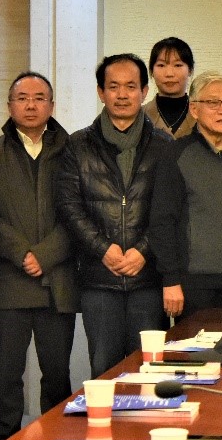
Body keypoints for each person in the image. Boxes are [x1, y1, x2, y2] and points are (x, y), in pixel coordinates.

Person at [0, 72, 77, 440]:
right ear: (10, 106)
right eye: (22, 98)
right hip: (9, 282)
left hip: (58, 282)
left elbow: (80, 213)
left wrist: (46, 255)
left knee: (57, 374)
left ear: (52, 105)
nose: (31, 105)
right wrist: (22, 254)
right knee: (7, 376)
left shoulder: (74, 151)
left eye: (39, 98)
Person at [57, 54, 169, 377]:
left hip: (148, 278)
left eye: (131, 87)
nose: (122, 95)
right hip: (99, 278)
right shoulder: (78, 145)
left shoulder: (164, 145)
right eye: (113, 86)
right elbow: (69, 206)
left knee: (149, 369)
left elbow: (170, 210)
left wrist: (143, 250)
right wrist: (103, 249)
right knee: (104, 369)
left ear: (144, 91)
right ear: (100, 92)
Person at [149, 71, 222, 321]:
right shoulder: (176, 155)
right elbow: (162, 222)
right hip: (197, 285)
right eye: (213, 102)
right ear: (194, 109)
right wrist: (171, 279)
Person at [142, 36, 196, 139]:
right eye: (161, 65)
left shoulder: (204, 115)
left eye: (178, 65)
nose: (169, 74)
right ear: (152, 71)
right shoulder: (139, 116)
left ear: (190, 70)